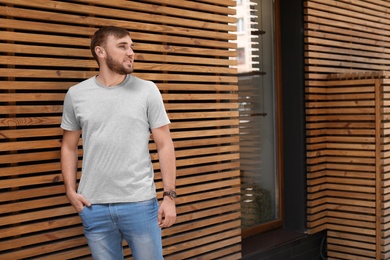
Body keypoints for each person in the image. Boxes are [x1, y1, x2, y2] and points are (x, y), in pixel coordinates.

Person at [60, 26, 176, 260]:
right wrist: (70, 191)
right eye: (122, 46)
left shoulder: (147, 90)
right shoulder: (76, 94)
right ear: (100, 51)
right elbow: (68, 146)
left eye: (131, 46)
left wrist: (169, 197)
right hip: (94, 206)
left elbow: (165, 144)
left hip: (140, 204)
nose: (131, 52)